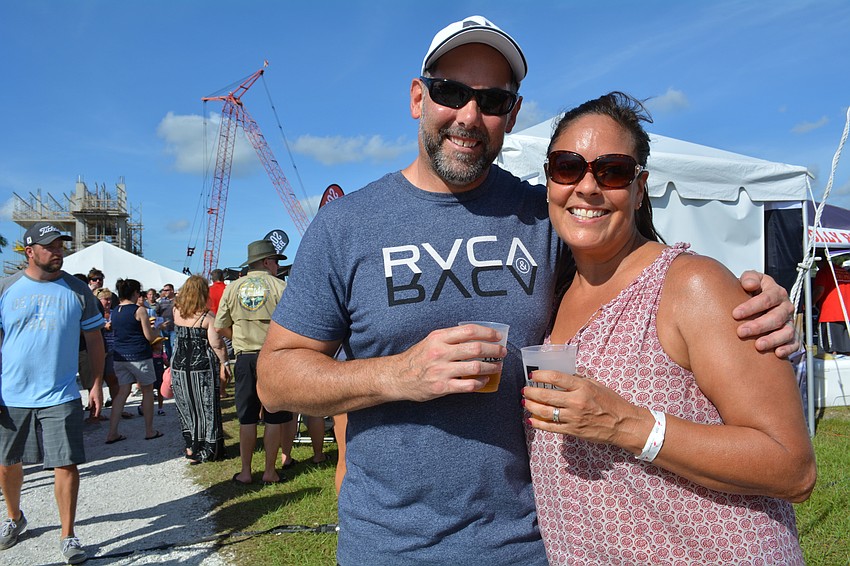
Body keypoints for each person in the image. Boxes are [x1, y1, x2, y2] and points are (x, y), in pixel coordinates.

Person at [256, 16, 798, 565]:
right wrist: (400, 373)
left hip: (528, 547)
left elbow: (637, 264)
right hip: (390, 547)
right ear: (418, 97)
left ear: (512, 116)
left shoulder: (547, 216)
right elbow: (275, 381)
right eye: (451, 92)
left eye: (492, 100)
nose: (470, 116)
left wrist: (756, 302)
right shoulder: (346, 226)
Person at [521, 92, 815, 564]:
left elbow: (792, 466)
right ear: (549, 180)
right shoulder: (548, 295)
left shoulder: (691, 284)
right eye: (568, 166)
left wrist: (628, 425)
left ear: (640, 189)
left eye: (612, 170)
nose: (588, 186)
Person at [0, 222, 105, 564]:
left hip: (60, 393)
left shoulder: (78, 291)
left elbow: (94, 340)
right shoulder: (6, 288)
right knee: (6, 464)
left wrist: (96, 384)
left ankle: (68, 534)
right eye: (50, 246)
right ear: (29, 251)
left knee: (66, 464)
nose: (58, 251)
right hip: (11, 394)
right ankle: (15, 519)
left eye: (60, 245)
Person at [215, 240, 291, 485]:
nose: (278, 266)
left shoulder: (233, 288)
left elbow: (220, 326)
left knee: (246, 417)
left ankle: (246, 471)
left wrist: (238, 337)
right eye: (276, 261)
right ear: (268, 262)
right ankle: (270, 471)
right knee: (274, 416)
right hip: (274, 357)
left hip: (245, 356)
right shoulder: (280, 286)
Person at [172, 275, 228, 463]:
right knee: (206, 407)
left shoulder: (176, 311)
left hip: (179, 366)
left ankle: (191, 447)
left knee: (186, 406)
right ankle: (208, 447)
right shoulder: (207, 318)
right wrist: (225, 364)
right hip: (202, 368)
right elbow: (217, 345)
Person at [105, 278, 163, 443]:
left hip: (120, 357)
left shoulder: (116, 310)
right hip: (139, 355)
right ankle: (149, 430)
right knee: (147, 391)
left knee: (122, 393)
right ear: (136, 293)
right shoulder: (139, 311)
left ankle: (112, 432)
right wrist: (157, 329)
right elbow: (149, 336)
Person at [813, 256, 850, 354]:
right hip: (847, 314)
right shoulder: (843, 271)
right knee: (846, 349)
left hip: (830, 314)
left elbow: (819, 290)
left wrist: (809, 304)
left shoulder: (824, 271)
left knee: (830, 351)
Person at [156, 283, 176, 359]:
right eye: (164, 290)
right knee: (167, 347)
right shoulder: (161, 302)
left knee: (173, 345)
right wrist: (159, 325)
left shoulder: (178, 301)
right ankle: (168, 363)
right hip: (164, 328)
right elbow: (157, 313)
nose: (165, 292)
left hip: (174, 328)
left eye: (167, 290)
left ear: (172, 290)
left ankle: (173, 362)